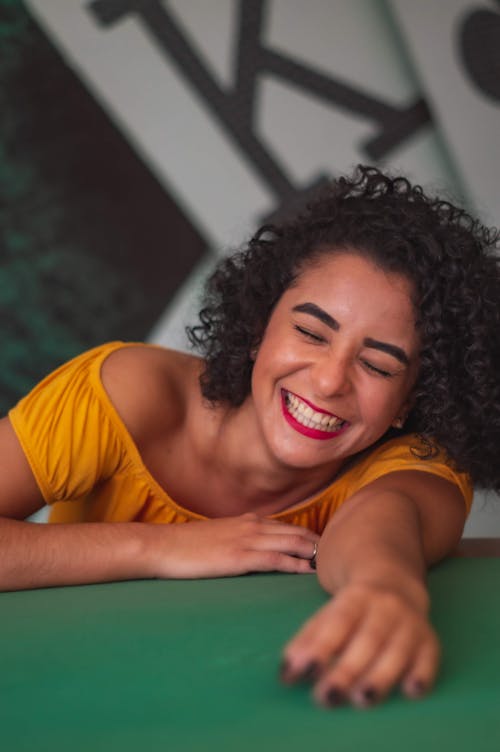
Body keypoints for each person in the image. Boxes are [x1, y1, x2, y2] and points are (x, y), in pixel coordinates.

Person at [1, 165, 499, 710]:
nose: (330, 380)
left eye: (378, 366)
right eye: (310, 332)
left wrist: (384, 590)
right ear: (260, 325)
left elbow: (385, 525)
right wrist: (162, 547)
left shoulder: (414, 467)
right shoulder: (125, 395)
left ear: (409, 403)